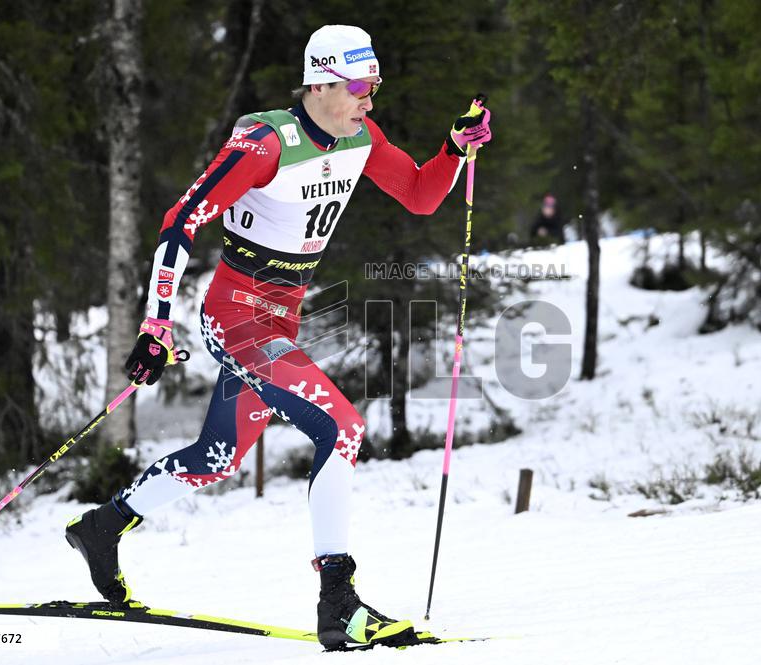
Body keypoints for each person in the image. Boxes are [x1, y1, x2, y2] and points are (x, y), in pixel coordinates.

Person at [64, 25, 492, 651]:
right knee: (341, 427)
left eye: (373, 89)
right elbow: (181, 220)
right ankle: (339, 601)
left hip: (280, 320)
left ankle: (103, 527)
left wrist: (454, 150)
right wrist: (156, 324)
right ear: (320, 83)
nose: (369, 103)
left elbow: (422, 196)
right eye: (357, 89)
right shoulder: (266, 143)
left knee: (218, 457)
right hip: (236, 318)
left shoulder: (359, 137)